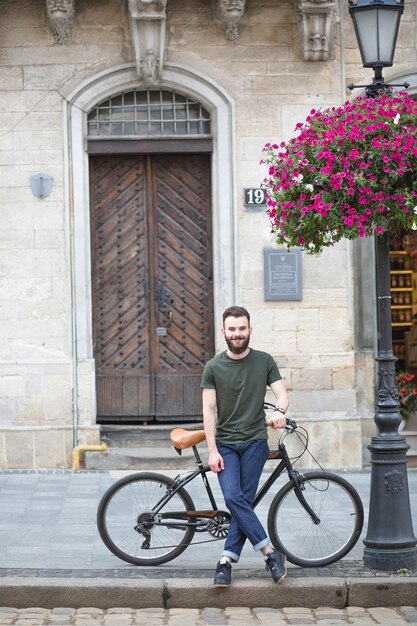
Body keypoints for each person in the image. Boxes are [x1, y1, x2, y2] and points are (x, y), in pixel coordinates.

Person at [201, 306, 289, 587]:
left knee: (242, 501)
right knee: (234, 498)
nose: (237, 334)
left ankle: (225, 562)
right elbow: (209, 411)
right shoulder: (213, 367)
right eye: (232, 329)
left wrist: (279, 411)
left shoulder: (264, 361)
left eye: (242, 329)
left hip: (254, 443)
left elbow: (281, 394)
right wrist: (212, 450)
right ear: (223, 332)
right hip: (225, 445)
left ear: (250, 330)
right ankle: (270, 553)